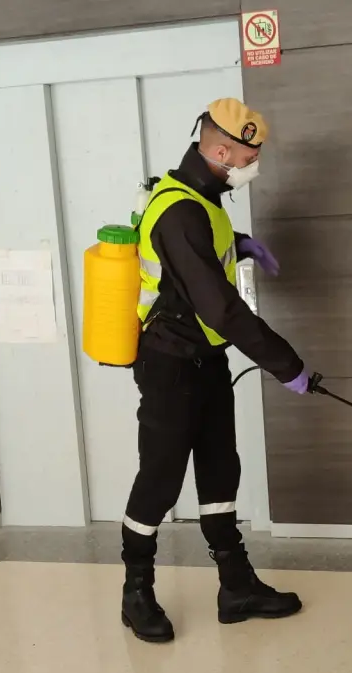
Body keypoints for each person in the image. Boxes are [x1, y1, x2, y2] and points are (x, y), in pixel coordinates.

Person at [120, 98, 310, 643]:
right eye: (249, 157)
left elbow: (200, 266)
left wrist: (240, 245)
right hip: (169, 364)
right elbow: (221, 308)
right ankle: (136, 593)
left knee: (221, 468)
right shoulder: (179, 210)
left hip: (205, 359)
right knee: (160, 479)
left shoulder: (203, 199)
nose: (253, 166)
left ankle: (236, 586)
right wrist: (286, 365)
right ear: (222, 152)